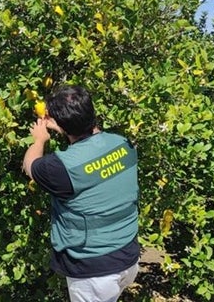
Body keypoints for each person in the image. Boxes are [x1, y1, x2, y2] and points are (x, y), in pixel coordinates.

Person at [22, 85, 140, 302]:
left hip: (94, 270)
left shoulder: (60, 168)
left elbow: (30, 166)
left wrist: (40, 139)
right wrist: (65, 127)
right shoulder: (123, 144)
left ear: (61, 124)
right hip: (128, 257)